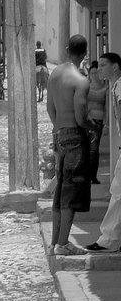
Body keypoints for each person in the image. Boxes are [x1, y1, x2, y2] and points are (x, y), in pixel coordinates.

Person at [46, 34, 91, 257]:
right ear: (84, 53)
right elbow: (81, 116)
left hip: (60, 134)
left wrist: (59, 130)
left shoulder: (54, 74)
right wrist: (92, 128)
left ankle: (55, 242)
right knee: (71, 194)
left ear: (66, 49)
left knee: (61, 190)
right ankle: (64, 243)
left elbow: (50, 108)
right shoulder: (81, 80)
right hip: (75, 136)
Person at [88, 52, 121, 252]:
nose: (99, 69)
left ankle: (108, 239)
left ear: (115, 66)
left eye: (103, 65)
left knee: (117, 192)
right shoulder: (114, 87)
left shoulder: (119, 86)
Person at [86, 59, 108, 185]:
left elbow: (107, 108)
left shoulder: (105, 88)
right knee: (86, 149)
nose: (94, 75)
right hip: (86, 121)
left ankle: (93, 176)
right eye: (91, 73)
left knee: (94, 150)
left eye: (96, 73)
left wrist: (106, 123)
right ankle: (86, 175)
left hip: (98, 122)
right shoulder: (85, 86)